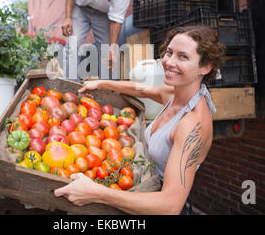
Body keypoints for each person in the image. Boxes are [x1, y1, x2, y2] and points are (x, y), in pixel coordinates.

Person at [54, 25, 226, 214]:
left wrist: (97, 193)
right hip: (143, 188)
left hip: (154, 204)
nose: (169, 62)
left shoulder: (192, 124)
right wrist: (102, 83)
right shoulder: (175, 93)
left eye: (182, 56)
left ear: (205, 67)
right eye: (169, 53)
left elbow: (170, 207)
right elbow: (141, 89)